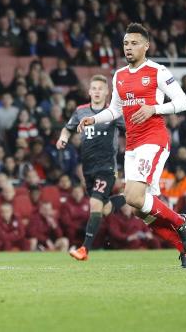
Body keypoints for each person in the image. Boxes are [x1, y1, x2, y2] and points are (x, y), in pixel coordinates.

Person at [78, 23, 186, 268]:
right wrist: (94, 117)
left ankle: (180, 221)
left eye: (134, 43)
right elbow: (114, 110)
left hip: (153, 140)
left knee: (133, 196)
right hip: (132, 146)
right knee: (138, 209)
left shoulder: (157, 71)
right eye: (125, 44)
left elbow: (183, 102)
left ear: (146, 46)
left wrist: (154, 108)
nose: (129, 48)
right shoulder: (119, 75)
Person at [57, 74, 125, 261]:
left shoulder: (114, 113)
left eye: (100, 89)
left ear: (107, 92)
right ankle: (127, 198)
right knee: (102, 208)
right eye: (93, 88)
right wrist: (63, 138)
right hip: (88, 169)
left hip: (107, 167)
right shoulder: (80, 111)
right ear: (89, 91)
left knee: (94, 203)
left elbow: (131, 131)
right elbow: (68, 128)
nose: (96, 92)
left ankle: (84, 249)